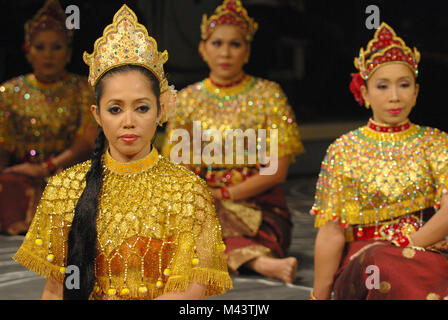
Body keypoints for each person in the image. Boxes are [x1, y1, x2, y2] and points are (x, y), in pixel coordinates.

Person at [13, 4, 232, 300]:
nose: (128, 121)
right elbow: (55, 290)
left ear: (161, 110)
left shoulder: (187, 190)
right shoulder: (65, 189)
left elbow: (191, 287)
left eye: (142, 108)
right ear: (97, 115)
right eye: (115, 109)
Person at [162, 0, 304, 284]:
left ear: (247, 51)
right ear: (203, 49)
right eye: (217, 43)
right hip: (204, 201)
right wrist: (206, 196)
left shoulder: (269, 95)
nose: (225, 53)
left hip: (257, 204)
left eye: (235, 44)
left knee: (202, 236)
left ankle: (245, 257)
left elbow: (276, 170)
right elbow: (177, 167)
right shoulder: (186, 99)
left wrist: (226, 196)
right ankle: (261, 263)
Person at [310, 22, 448, 300]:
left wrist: (406, 246)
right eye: (382, 86)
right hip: (365, 261)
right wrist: (318, 296)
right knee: (380, 260)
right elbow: (331, 233)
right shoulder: (344, 149)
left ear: (416, 92)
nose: (394, 96)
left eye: (404, 85)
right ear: (364, 94)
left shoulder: (437, 142)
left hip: (425, 250)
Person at [0, 0, 96, 235]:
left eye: (56, 47)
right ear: (28, 51)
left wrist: (49, 167)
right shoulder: (9, 92)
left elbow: (88, 139)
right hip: (21, 174)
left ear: (68, 53)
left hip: (69, 174)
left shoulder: (83, 88)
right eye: (40, 47)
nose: (48, 55)